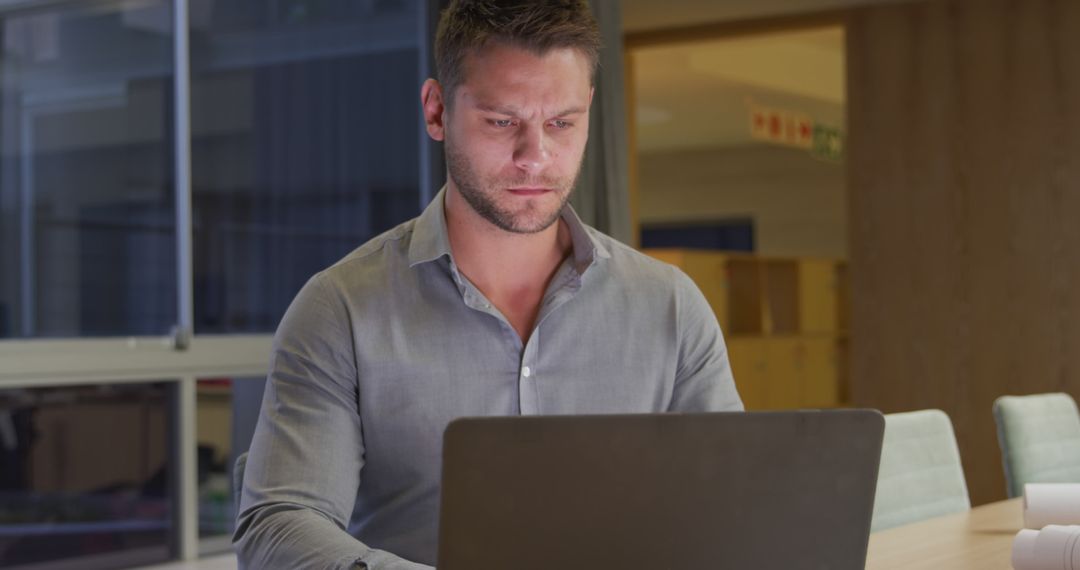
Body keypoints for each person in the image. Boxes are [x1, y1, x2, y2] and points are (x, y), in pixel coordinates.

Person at [233, 1, 743, 568]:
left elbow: (729, 511)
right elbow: (280, 524)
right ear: (436, 111)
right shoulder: (341, 310)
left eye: (561, 123)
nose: (535, 157)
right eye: (502, 121)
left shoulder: (670, 307)